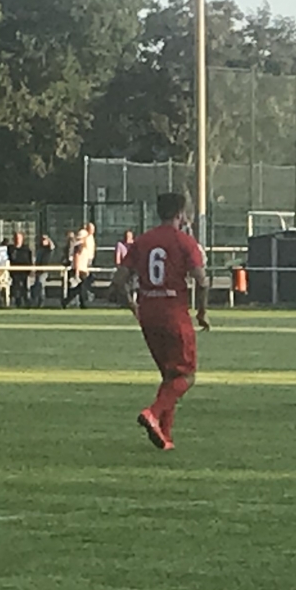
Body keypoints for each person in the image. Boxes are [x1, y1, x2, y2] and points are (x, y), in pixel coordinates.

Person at [108, 191, 208, 452]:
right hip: (174, 313)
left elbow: (118, 281)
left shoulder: (142, 241)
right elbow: (202, 280)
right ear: (180, 214)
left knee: (169, 375)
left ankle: (164, 436)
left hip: (148, 314)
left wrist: (132, 305)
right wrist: (202, 312)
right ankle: (152, 413)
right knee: (187, 375)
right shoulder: (184, 241)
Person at [65, 222, 97, 307]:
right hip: (79, 269)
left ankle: (77, 302)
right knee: (81, 287)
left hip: (83, 269)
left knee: (82, 287)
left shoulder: (85, 248)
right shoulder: (80, 247)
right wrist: (77, 271)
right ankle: (70, 301)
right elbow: (77, 258)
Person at [7, 231, 34, 307]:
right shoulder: (10, 249)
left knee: (24, 286)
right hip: (14, 272)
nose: (17, 240)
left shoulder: (26, 249)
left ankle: (26, 302)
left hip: (24, 272)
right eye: (16, 238)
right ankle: (17, 302)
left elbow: (29, 260)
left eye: (19, 238)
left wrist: (30, 270)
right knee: (15, 286)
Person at [34, 233, 57, 306]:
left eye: (44, 240)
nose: (43, 241)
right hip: (38, 270)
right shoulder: (39, 250)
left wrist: (48, 239)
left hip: (45, 271)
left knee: (41, 284)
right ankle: (37, 301)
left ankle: (41, 301)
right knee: (37, 286)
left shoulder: (48, 250)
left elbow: (53, 247)